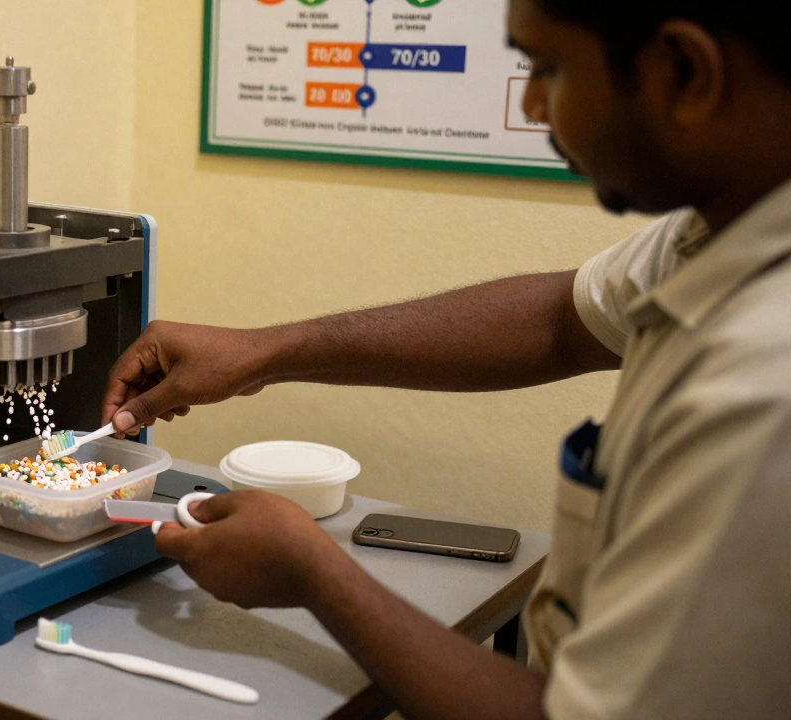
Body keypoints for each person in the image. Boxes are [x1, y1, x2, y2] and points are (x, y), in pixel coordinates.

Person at [101, 0, 791, 717]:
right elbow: (561, 321)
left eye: (547, 68)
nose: (529, 103)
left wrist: (315, 575)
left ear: (686, 73)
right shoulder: (717, 229)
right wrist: (263, 353)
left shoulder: (763, 387)